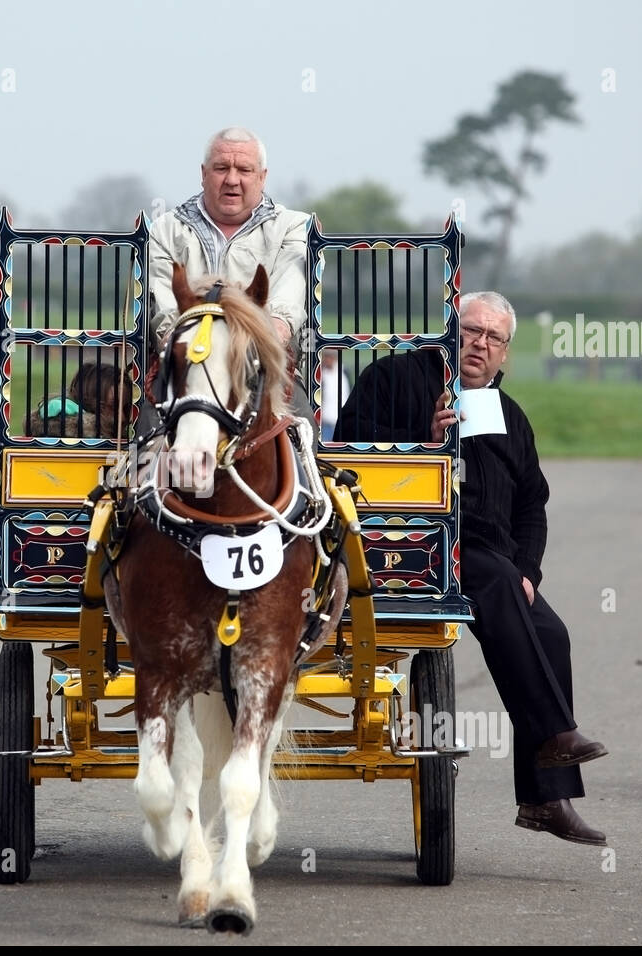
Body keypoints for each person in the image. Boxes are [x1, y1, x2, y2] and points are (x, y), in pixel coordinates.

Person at [335, 291, 610, 846]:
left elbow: (533, 501)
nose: (479, 344)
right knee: (500, 582)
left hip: (494, 556)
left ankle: (543, 799)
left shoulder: (511, 416)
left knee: (553, 633)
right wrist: (425, 446)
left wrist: (530, 567)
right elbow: (346, 458)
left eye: (493, 338)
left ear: (505, 353)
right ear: (449, 330)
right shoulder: (393, 377)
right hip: (411, 543)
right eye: (470, 331)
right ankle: (557, 733)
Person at [145, 127, 312, 427]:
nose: (232, 179)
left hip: (263, 368)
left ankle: (310, 477)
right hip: (185, 366)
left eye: (244, 169)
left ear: (262, 176)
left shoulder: (292, 227)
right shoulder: (165, 229)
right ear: (204, 173)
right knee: (147, 435)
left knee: (302, 430)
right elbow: (167, 313)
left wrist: (246, 349)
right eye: (221, 168)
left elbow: (286, 307)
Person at [319, 348, 350, 442]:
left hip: (342, 420)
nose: (328, 360)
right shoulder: (320, 374)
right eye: (326, 357)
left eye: (331, 357)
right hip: (325, 422)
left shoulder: (344, 371)